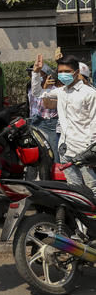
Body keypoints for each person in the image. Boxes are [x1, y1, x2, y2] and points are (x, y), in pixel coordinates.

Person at [31, 54, 96, 195]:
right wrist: (36, 72)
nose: (63, 75)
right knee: (74, 189)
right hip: (65, 149)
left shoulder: (89, 93)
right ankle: (80, 217)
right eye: (60, 72)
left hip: (84, 151)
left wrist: (92, 152)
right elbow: (37, 93)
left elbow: (94, 123)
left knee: (92, 189)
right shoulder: (61, 92)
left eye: (67, 72)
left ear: (77, 72)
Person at [27, 63, 59, 162]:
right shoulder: (31, 89)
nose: (33, 76)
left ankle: (56, 171)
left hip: (49, 123)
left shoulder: (54, 90)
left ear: (47, 75)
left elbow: (44, 105)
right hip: (34, 121)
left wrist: (45, 87)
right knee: (36, 150)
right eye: (31, 73)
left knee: (53, 150)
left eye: (37, 73)